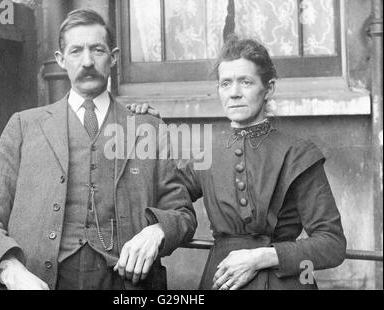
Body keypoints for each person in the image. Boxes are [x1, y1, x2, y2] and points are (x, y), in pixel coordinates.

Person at [0, 9, 196, 290]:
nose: (87, 62)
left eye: (97, 49)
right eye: (76, 51)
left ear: (114, 57)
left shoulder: (147, 129)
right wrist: (11, 270)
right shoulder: (25, 126)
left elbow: (182, 214)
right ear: (61, 60)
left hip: (126, 287)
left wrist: (158, 230)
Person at [129, 36, 346, 290]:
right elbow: (161, 194)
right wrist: (150, 130)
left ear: (269, 88)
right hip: (222, 281)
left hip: (283, 282)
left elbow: (332, 244)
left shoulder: (298, 154)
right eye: (226, 83)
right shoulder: (205, 155)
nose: (234, 93)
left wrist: (260, 258)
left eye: (245, 82)